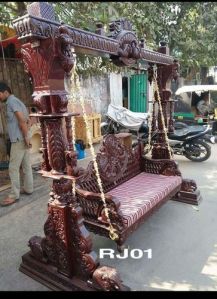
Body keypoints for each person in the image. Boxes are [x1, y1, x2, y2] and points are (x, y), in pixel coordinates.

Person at [0, 82, 33, 206]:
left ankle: (14, 195)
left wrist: (25, 137)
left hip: (18, 140)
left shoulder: (11, 102)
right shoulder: (18, 101)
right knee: (26, 165)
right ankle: (29, 188)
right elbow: (28, 120)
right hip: (23, 138)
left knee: (13, 168)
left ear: (5, 92)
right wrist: (27, 137)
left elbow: (22, 121)